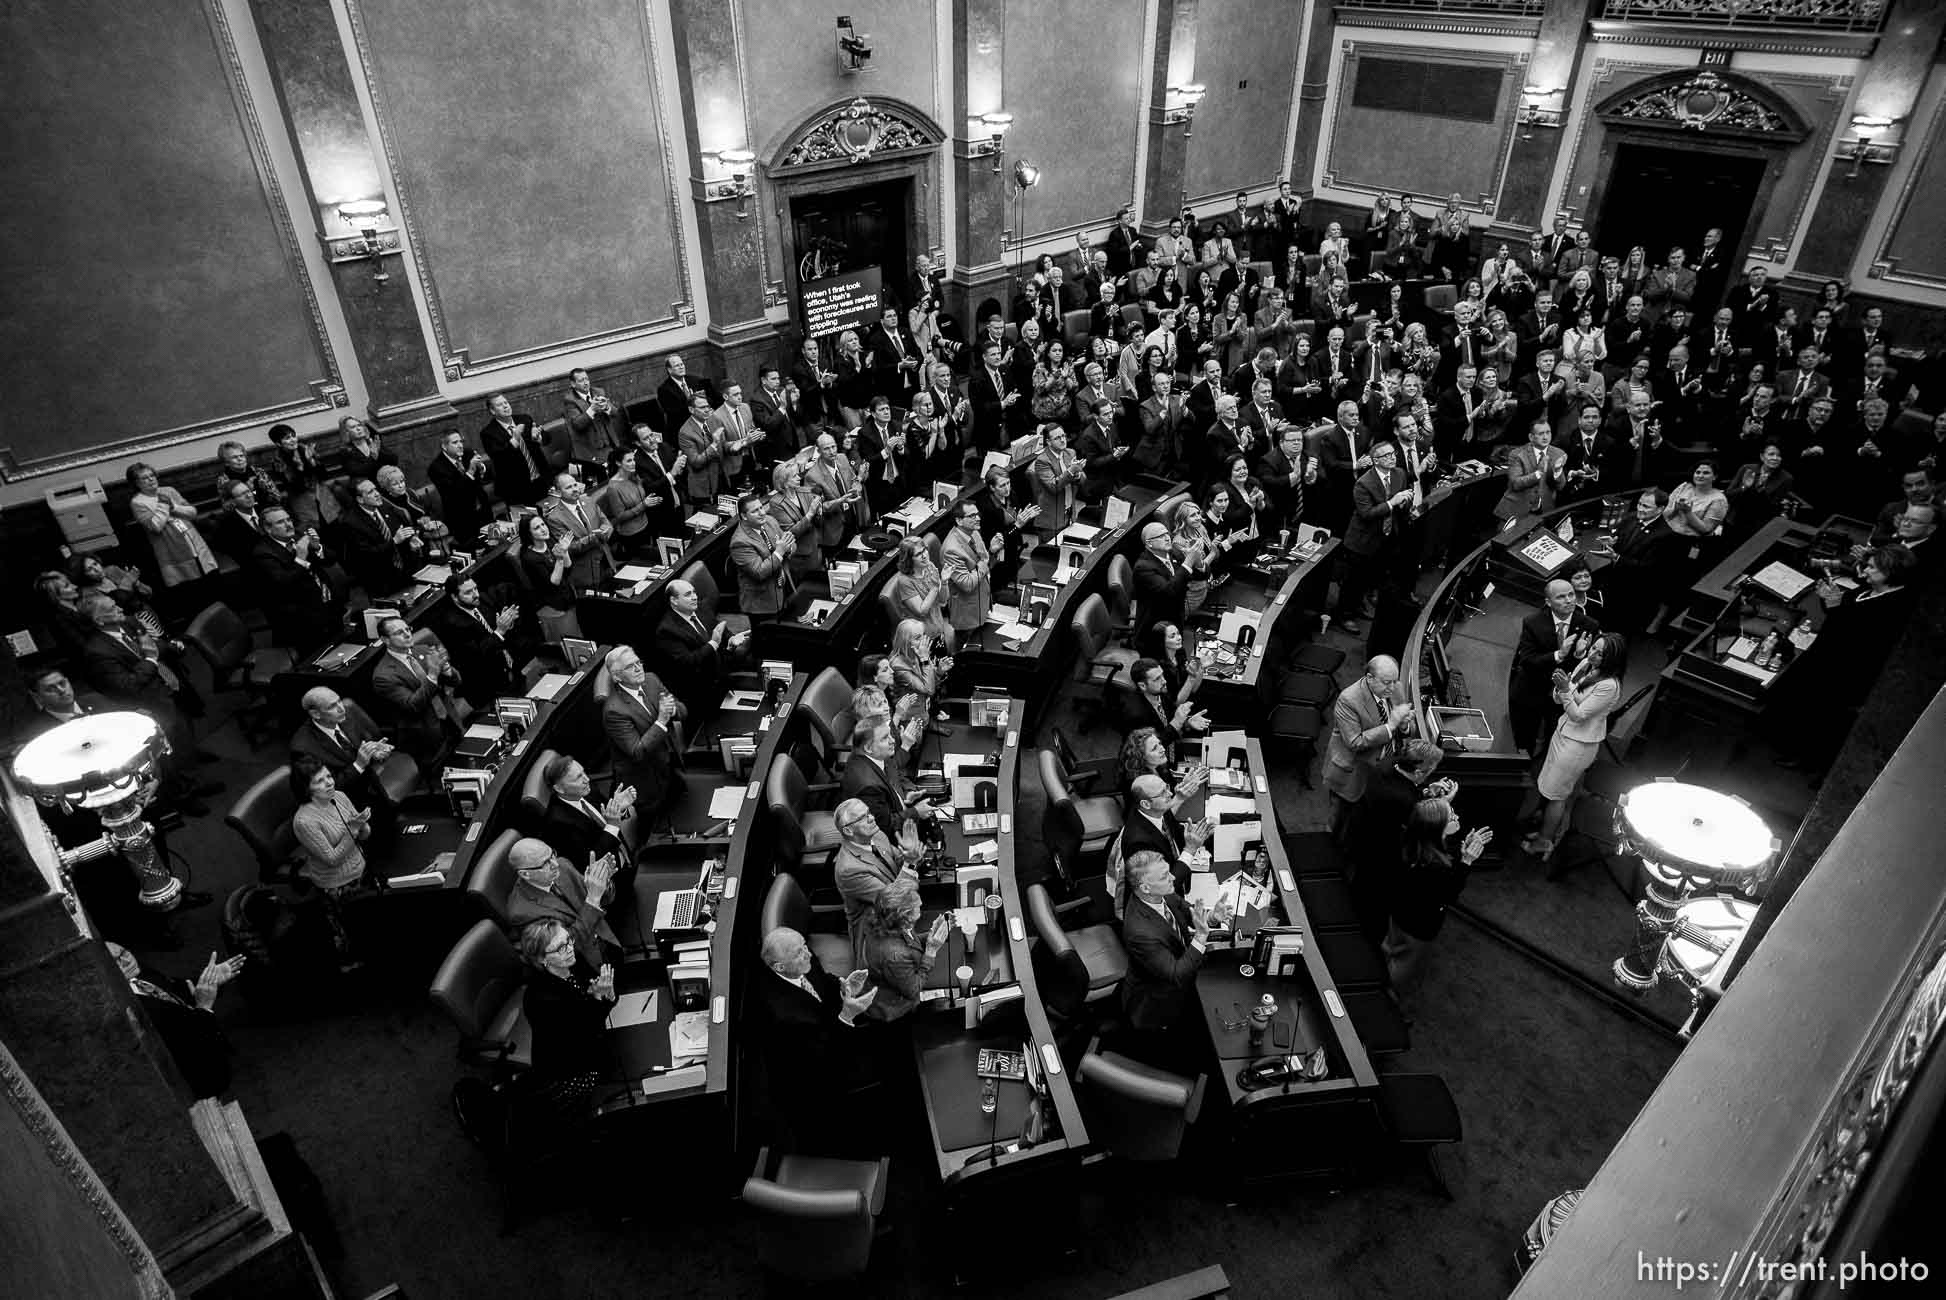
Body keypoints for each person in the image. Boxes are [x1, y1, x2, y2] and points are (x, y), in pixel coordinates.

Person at [753, 927, 878, 1142]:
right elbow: (825, 1055)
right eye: (799, 953)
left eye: (804, 946)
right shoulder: (784, 1016)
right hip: (818, 1077)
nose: (808, 953)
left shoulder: (799, 962)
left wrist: (844, 987)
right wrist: (847, 1015)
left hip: (828, 1031)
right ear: (780, 966)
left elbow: (822, 980)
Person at [1117, 850, 1228, 1067]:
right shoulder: (1140, 932)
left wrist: (1212, 917)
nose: (1173, 878)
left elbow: (1187, 912)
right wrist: (1201, 936)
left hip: (1178, 971)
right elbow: (1176, 975)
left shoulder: (1162, 893)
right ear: (1145, 887)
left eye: (1169, 872)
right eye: (1164, 877)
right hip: (1157, 1005)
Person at [1528, 632, 1627, 862]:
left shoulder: (1610, 686)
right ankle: (1546, 831)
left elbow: (1578, 715)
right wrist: (1562, 688)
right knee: (1551, 787)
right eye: (1593, 648)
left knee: (1557, 794)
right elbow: (1559, 699)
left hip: (1577, 746)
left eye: (1600, 653)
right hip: (1562, 734)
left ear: (1612, 659)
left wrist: (1564, 689)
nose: (1592, 654)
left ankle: (1544, 842)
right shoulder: (1586, 664)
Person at [1345, 739, 1453, 943]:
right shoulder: (1404, 801)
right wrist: (1441, 805)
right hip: (1382, 855)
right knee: (1373, 906)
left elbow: (1407, 791)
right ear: (1420, 772)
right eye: (1431, 770)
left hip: (1362, 833)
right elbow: (1421, 823)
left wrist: (1426, 792)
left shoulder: (1388, 763)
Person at [1383, 798, 1490, 999]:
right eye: (1451, 815)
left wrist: (1460, 852)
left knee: (1391, 946)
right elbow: (1449, 893)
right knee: (1404, 962)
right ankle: (1386, 995)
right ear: (1438, 828)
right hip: (1419, 925)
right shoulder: (1436, 868)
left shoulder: (1412, 842)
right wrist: (1466, 861)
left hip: (1398, 911)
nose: (1456, 815)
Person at [107, 942, 241, 1099]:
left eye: (124, 952)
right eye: (116, 960)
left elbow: (177, 989)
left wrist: (208, 981)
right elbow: (182, 1040)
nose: (126, 961)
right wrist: (204, 1006)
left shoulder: (140, 972)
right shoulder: (133, 1012)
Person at [515, 918, 616, 1110]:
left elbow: (595, 1008)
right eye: (560, 947)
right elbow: (584, 1034)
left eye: (569, 940)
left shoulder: (572, 963)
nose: (570, 948)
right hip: (570, 1068)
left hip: (591, 1038)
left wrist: (607, 995)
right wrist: (597, 999)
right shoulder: (543, 1000)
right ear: (542, 959)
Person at [290, 687, 400, 848]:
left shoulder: (345, 716)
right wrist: (359, 764)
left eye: (339, 701)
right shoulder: (303, 748)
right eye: (332, 706)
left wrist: (374, 752)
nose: (341, 708)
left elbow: (360, 745)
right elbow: (326, 789)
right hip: (349, 807)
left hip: (375, 790)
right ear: (316, 714)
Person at [1323, 655, 1416, 837]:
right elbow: (1354, 742)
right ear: (1369, 678)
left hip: (1383, 769)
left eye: (1395, 681)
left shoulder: (1394, 687)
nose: (1392, 687)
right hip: (1353, 772)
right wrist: (1390, 726)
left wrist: (1403, 725)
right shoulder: (1349, 700)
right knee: (1338, 819)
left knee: (1364, 821)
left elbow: (1406, 728)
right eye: (1386, 682)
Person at [1508, 579, 1601, 756]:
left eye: (1571, 594)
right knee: (1525, 735)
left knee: (1554, 735)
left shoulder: (1589, 625)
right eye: (1561, 597)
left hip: (1564, 693)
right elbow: (1527, 661)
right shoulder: (1532, 622)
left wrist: (1579, 655)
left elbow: (1589, 667)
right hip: (1533, 687)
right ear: (1548, 602)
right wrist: (1559, 655)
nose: (1569, 600)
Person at [832, 795, 923, 964]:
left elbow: (898, 861)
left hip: (899, 914)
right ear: (848, 831)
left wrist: (910, 854)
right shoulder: (849, 870)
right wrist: (910, 863)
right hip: (876, 933)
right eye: (863, 817)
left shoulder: (877, 835)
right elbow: (893, 900)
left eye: (869, 812)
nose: (872, 818)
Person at [506, 837, 620, 972]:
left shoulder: (563, 866)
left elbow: (604, 900)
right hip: (584, 965)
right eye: (545, 864)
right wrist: (593, 898)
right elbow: (566, 947)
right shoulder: (521, 913)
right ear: (525, 874)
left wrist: (602, 881)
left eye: (552, 854)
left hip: (607, 939)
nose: (555, 863)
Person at [600, 646, 686, 825]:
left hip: (669, 765)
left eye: (639, 662)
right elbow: (637, 751)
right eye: (631, 666)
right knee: (658, 826)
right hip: (645, 783)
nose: (639, 668)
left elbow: (682, 710)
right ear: (617, 677)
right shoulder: (614, 710)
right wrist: (662, 720)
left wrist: (673, 710)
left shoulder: (651, 680)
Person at [370, 616, 459, 775]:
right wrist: (432, 675)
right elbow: (413, 705)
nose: (407, 634)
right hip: (425, 735)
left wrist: (447, 670)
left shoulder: (423, 649)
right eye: (399, 632)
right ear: (386, 640)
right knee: (441, 775)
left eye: (407, 629)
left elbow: (456, 681)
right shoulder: (383, 676)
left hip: (449, 718)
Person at [126, 462, 219, 612]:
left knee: (212, 583)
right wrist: (163, 504)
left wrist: (174, 507)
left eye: (152, 475)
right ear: (136, 483)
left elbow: (192, 513)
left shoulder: (169, 490)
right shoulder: (137, 502)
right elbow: (156, 525)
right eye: (145, 478)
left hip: (194, 542)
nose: (151, 480)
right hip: (173, 551)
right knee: (195, 594)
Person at [858, 880, 950, 1023]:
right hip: (894, 1010)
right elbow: (913, 990)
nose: (920, 902)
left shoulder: (889, 924)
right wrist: (931, 951)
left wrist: (933, 934)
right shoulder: (894, 956)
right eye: (914, 903)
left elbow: (908, 941)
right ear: (905, 915)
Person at [653, 577, 747, 708]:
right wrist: (713, 643)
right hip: (700, 692)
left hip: (721, 677)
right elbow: (689, 662)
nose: (694, 597)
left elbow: (719, 629)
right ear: (674, 601)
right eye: (688, 594)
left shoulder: (701, 608)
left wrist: (731, 639)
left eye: (694, 592)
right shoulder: (667, 631)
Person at [429, 573, 521, 701]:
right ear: (455, 597)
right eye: (468, 592)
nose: (476, 594)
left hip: (508, 666)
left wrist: (507, 622)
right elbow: (478, 655)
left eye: (475, 588)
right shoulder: (452, 624)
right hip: (487, 684)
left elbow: (497, 633)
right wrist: (500, 631)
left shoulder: (480, 601)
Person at [289, 755, 371, 898]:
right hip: (337, 884)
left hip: (361, 867)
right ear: (307, 789)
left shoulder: (339, 796)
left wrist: (364, 826)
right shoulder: (304, 821)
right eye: (320, 781)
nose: (329, 783)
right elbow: (333, 860)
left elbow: (363, 836)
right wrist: (353, 829)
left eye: (329, 776)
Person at [537, 754, 635, 873]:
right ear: (559, 789)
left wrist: (618, 807)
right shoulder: (558, 823)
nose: (587, 779)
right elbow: (590, 860)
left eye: (583, 773)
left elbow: (608, 816)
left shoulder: (586, 790)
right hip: (609, 875)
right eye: (578, 777)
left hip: (623, 855)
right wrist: (612, 825)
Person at [540, 472, 616, 592]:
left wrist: (606, 530)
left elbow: (606, 523)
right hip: (586, 573)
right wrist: (593, 537)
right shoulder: (555, 518)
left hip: (607, 562)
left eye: (575, 485)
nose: (575, 489)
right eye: (568, 488)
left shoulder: (588, 500)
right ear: (559, 492)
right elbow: (569, 547)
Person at [727, 491, 793, 625]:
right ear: (744, 516)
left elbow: (790, 542)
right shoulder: (739, 542)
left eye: (761, 508)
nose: (762, 513)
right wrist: (780, 551)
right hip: (761, 605)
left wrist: (788, 549)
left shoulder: (769, 521)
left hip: (783, 589)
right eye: (755, 511)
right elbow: (759, 572)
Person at [1118, 657, 1209, 748]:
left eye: (1162, 675)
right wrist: (1176, 723)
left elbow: (1170, 720)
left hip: (1172, 750)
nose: (1164, 681)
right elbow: (1152, 748)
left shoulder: (1160, 692)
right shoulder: (1135, 714)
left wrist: (1187, 723)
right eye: (1157, 679)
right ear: (1142, 686)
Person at [426, 430, 495, 546]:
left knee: (496, 545)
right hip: (463, 520)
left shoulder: (468, 453)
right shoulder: (436, 468)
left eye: (461, 441)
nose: (460, 445)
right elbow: (455, 493)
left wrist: (481, 467)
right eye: (455, 442)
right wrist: (471, 471)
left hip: (484, 511)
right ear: (444, 446)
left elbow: (483, 475)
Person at [516, 514, 579, 640]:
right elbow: (553, 583)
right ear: (529, 534)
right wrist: (560, 558)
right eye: (537, 528)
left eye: (543, 524)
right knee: (569, 641)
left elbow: (567, 570)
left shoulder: (550, 542)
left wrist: (565, 551)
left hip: (567, 597)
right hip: (552, 606)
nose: (543, 529)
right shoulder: (529, 557)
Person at [479, 393, 549, 506]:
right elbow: (499, 458)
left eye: (506, 403)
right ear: (492, 411)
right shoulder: (488, 433)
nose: (505, 406)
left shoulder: (525, 419)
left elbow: (547, 438)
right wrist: (515, 439)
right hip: (516, 489)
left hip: (540, 480)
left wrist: (538, 438)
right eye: (500, 405)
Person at [942, 498, 997, 638]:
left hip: (982, 603)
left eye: (977, 514)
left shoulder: (973, 532)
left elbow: (985, 560)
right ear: (959, 521)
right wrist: (985, 561)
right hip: (967, 616)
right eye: (972, 516)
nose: (978, 518)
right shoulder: (951, 549)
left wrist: (992, 551)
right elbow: (967, 584)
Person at [1494, 421, 1568, 522]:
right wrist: (1539, 473)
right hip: (1515, 511)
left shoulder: (1558, 453)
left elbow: (1560, 486)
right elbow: (1516, 484)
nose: (1545, 437)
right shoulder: (1517, 454)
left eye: (1548, 432)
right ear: (1531, 437)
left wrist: (1558, 471)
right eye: (1541, 434)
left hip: (1544, 512)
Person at [887, 535, 952, 649]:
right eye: (918, 554)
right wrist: (935, 588)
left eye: (924, 550)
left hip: (938, 630)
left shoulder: (929, 567)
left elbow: (943, 601)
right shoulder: (905, 581)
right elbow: (921, 611)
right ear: (908, 559)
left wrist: (944, 581)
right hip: (922, 640)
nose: (924, 556)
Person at [886, 618, 950, 714]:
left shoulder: (919, 654)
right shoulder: (898, 665)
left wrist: (938, 672)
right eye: (917, 638)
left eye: (924, 635)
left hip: (922, 714)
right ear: (905, 641)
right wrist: (924, 659)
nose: (923, 641)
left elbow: (930, 682)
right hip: (907, 720)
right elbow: (929, 690)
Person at [562, 367, 626, 461]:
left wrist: (606, 407)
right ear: (573, 384)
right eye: (581, 380)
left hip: (611, 444)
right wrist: (592, 409)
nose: (586, 383)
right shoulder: (570, 400)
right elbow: (578, 424)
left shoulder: (598, 391)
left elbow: (616, 413)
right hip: (591, 450)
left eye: (587, 379)